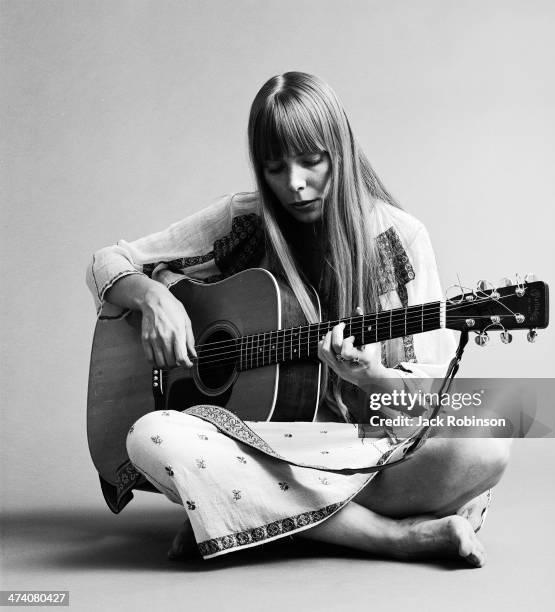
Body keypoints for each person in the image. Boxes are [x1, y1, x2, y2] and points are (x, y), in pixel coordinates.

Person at [86, 72, 510, 567]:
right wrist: (154, 297)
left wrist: (368, 376)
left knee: (487, 447)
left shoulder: (399, 241)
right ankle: (398, 537)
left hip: (356, 452)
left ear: (341, 153)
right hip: (263, 445)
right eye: (275, 167)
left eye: (312, 161)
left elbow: (421, 406)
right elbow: (107, 262)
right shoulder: (242, 221)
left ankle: (243, 509)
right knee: (152, 437)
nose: (295, 184)